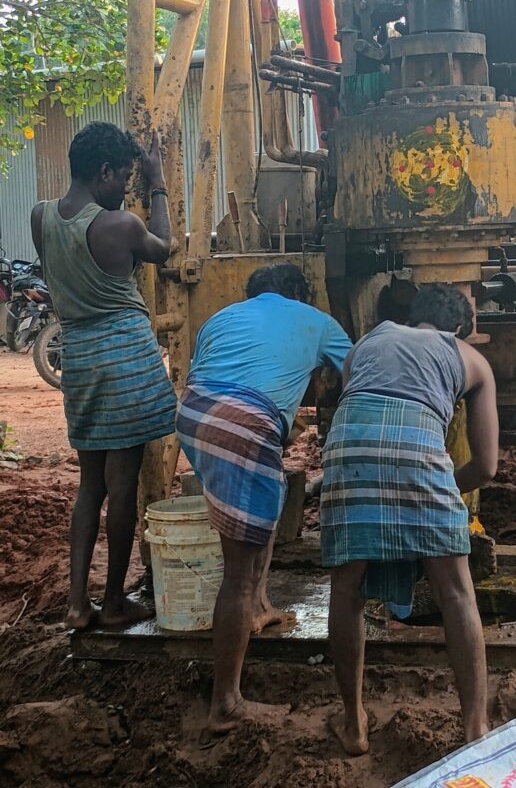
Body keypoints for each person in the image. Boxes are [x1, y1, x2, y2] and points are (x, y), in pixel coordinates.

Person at [320, 284, 499, 756]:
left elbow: (356, 402)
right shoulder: (470, 358)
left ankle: (354, 723)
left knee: (347, 590)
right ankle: (475, 728)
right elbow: (487, 466)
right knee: (457, 593)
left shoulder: (366, 342)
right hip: (419, 449)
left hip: (346, 450)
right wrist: (437, 488)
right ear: (460, 329)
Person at [176, 262, 352, 736]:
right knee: (238, 566)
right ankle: (225, 703)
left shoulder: (222, 317)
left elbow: (209, 374)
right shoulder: (316, 321)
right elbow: (359, 372)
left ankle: (259, 605)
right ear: (299, 293)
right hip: (245, 423)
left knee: (264, 508)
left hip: (195, 416)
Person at [30, 121, 176, 630]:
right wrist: (158, 184)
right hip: (125, 362)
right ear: (105, 171)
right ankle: (113, 600)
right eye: (124, 178)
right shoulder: (120, 225)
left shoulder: (40, 216)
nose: (125, 189)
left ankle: (76, 604)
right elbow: (165, 247)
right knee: (123, 483)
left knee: (89, 485)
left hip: (80, 360)